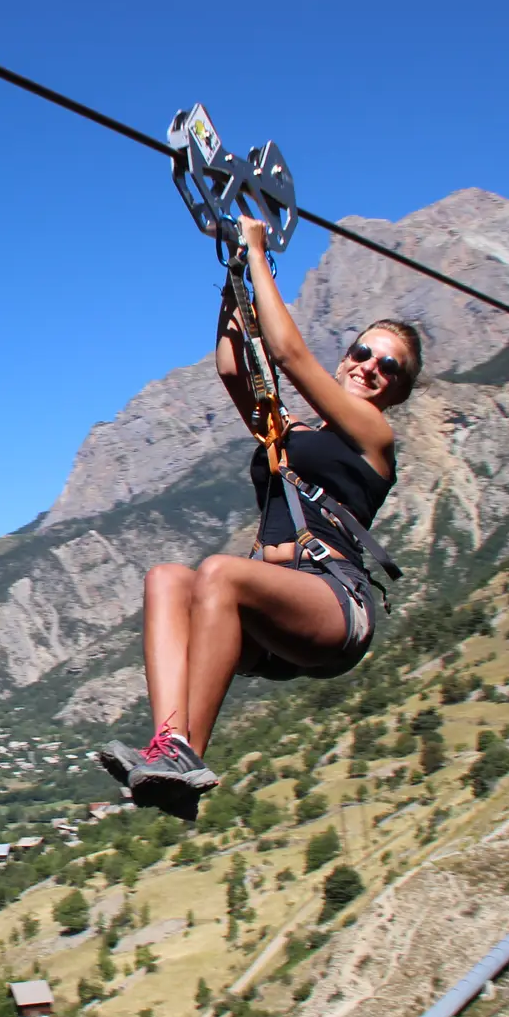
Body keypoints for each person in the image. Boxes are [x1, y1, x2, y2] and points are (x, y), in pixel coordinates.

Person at [97, 215, 421, 814]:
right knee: (166, 578)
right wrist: (233, 282)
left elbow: (291, 356)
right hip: (268, 616)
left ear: (396, 391)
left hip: (331, 603)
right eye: (363, 352)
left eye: (389, 367)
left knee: (219, 571)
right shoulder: (291, 432)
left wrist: (254, 248)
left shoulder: (375, 437)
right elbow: (230, 369)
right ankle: (169, 743)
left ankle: (186, 755)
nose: (370, 366)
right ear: (349, 355)